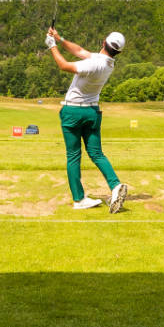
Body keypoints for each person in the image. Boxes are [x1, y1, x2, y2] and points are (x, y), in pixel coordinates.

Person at [45, 26, 129, 213]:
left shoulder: (94, 64)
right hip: (92, 112)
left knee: (73, 156)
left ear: (103, 42)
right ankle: (115, 186)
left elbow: (64, 66)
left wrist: (52, 46)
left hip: (73, 112)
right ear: (118, 52)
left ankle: (79, 199)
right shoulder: (107, 63)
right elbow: (79, 51)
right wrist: (59, 38)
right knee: (97, 153)